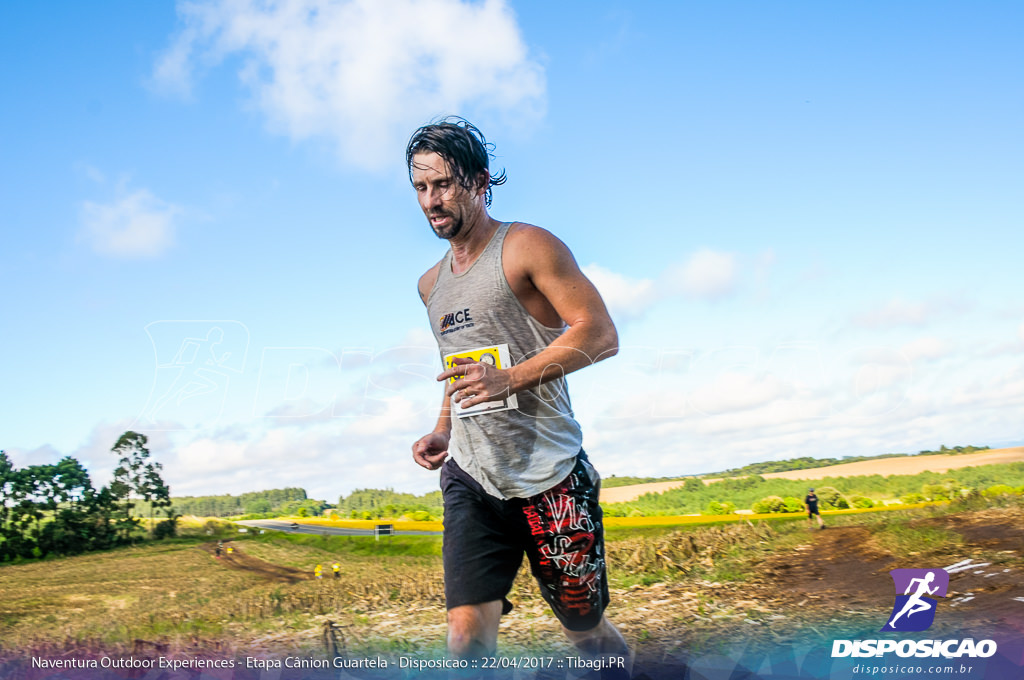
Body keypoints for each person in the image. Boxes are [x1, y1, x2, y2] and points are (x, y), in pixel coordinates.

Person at [408, 118, 630, 677]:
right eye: (420, 187)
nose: (432, 201)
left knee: (586, 633)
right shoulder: (429, 285)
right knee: (465, 637)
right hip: (472, 476)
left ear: (480, 183)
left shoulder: (527, 245)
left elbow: (600, 334)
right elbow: (456, 368)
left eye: (444, 185)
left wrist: (511, 378)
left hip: (549, 474)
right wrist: (442, 427)